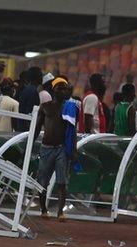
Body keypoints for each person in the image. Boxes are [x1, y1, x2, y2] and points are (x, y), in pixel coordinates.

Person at [33, 77, 76, 222]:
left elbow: (72, 131)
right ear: (53, 90)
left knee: (61, 181)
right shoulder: (45, 106)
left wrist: (73, 151)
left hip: (61, 149)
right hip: (46, 148)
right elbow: (37, 128)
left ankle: (60, 212)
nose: (62, 91)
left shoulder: (69, 107)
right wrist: (30, 144)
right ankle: (43, 209)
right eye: (59, 88)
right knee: (42, 181)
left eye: (64, 88)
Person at [16, 67, 42, 131]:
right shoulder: (32, 92)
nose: (42, 78)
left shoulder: (27, 90)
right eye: (41, 75)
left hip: (22, 126)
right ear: (37, 77)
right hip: (27, 129)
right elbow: (29, 112)